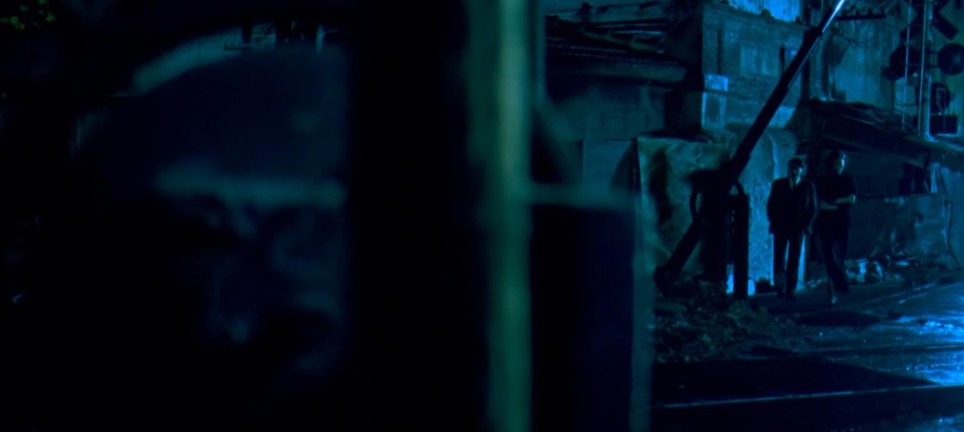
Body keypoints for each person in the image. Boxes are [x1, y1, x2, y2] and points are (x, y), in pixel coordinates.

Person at [766, 157, 817, 300]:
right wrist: (774, 223)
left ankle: (790, 290)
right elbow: (771, 206)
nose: (793, 171)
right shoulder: (779, 184)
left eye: (796, 169)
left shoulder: (807, 186)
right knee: (779, 258)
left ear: (801, 170)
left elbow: (812, 208)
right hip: (781, 227)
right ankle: (780, 288)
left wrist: (805, 225)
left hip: (798, 228)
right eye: (791, 168)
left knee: (794, 259)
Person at [816, 150, 857, 306]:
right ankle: (833, 291)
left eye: (840, 163)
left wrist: (835, 202)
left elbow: (852, 198)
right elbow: (822, 203)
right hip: (827, 224)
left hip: (842, 224)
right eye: (836, 163)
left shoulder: (848, 179)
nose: (838, 166)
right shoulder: (824, 180)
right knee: (829, 258)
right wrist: (839, 204)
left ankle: (835, 290)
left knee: (839, 257)